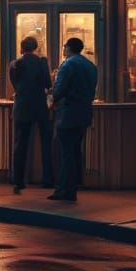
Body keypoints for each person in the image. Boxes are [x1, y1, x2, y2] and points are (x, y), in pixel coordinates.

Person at [49, 37, 97, 202]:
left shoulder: (67, 64)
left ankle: (64, 190)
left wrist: (51, 97)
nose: (63, 50)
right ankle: (73, 187)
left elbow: (59, 89)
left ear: (68, 48)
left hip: (67, 114)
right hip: (84, 113)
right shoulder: (90, 65)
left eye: (64, 47)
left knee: (65, 153)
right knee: (75, 151)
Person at [9, 35, 54, 193]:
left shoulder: (15, 64)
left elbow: (15, 85)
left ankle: (18, 181)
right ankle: (47, 179)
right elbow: (48, 83)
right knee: (46, 143)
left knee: (20, 144)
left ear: (22, 48)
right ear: (36, 47)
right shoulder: (41, 61)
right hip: (39, 106)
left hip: (21, 106)